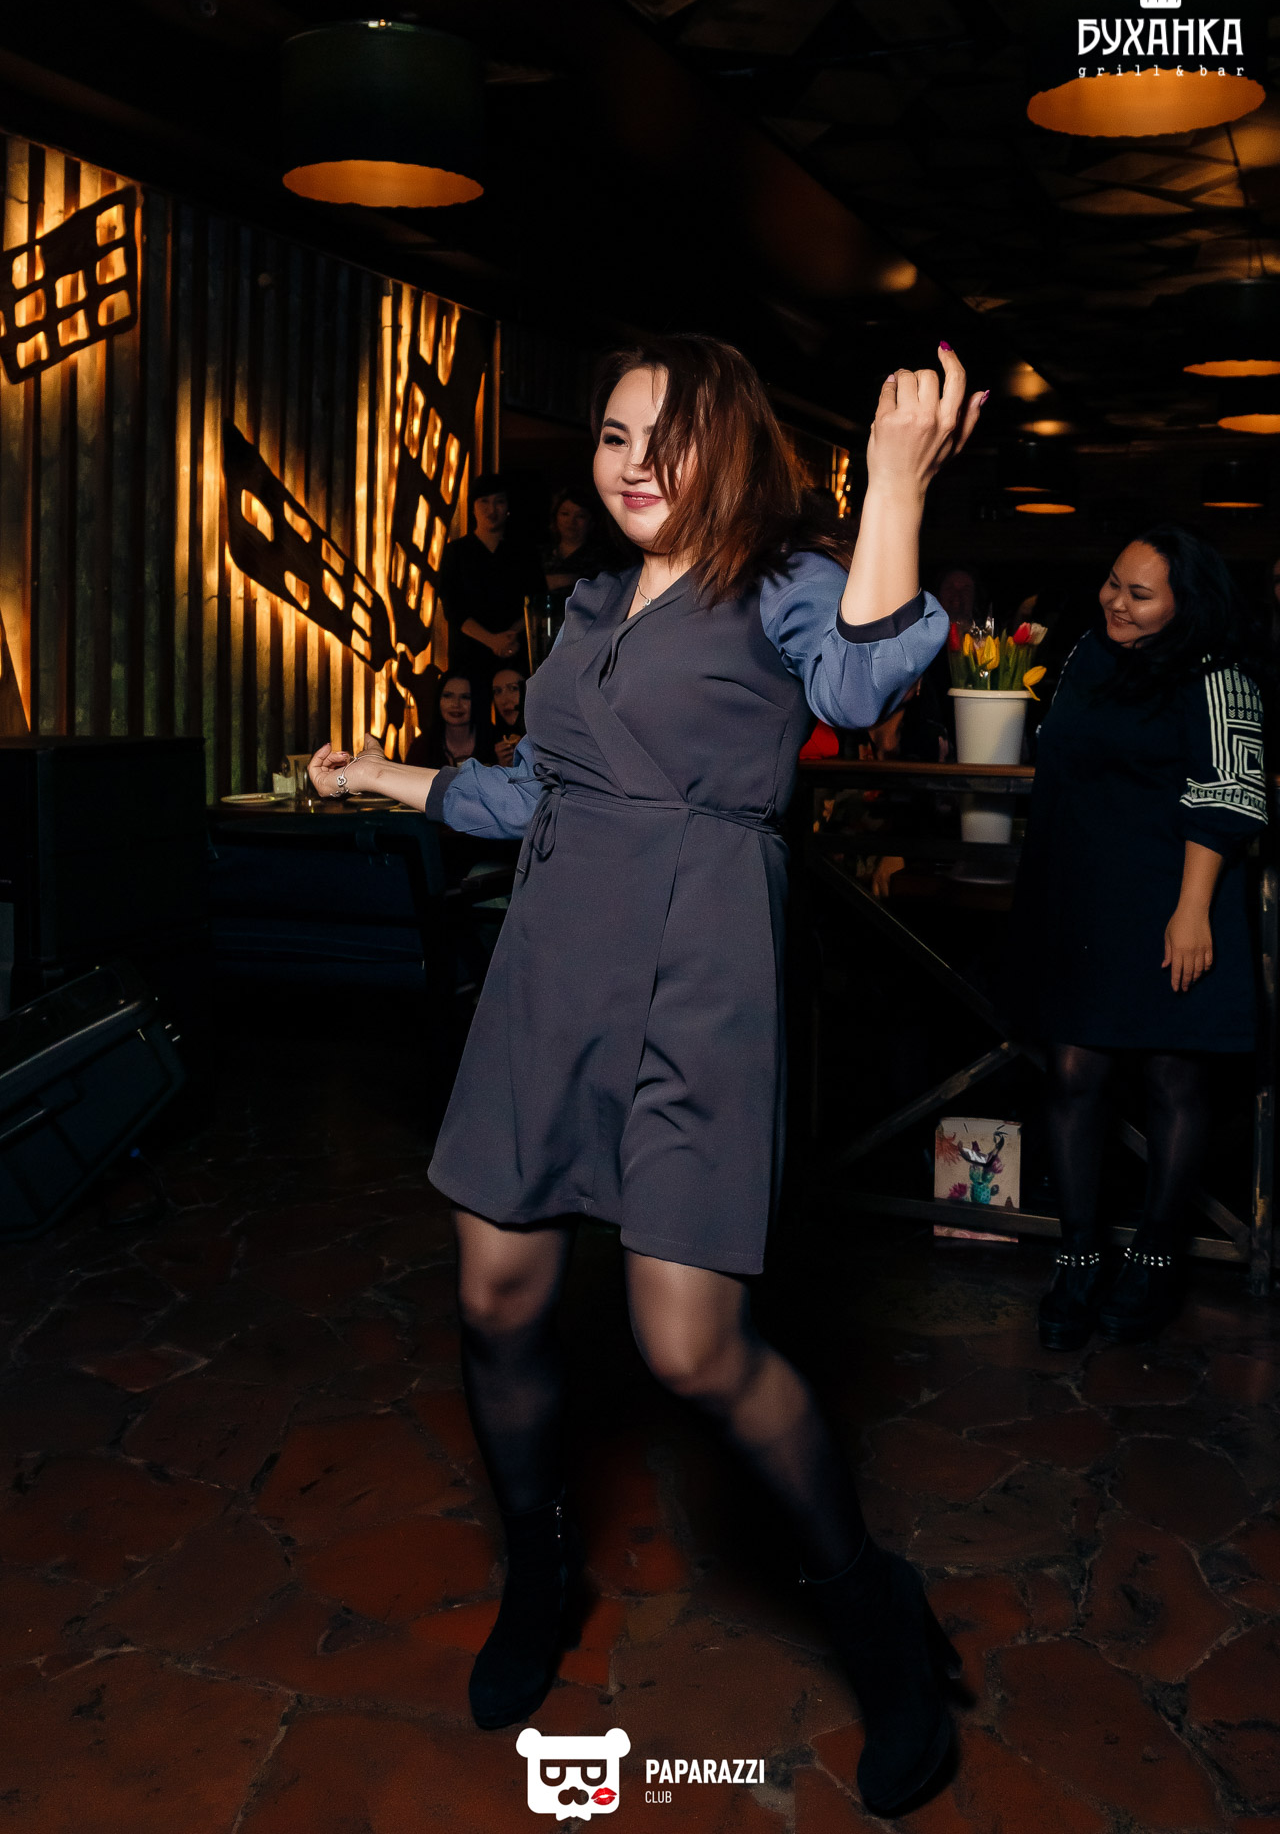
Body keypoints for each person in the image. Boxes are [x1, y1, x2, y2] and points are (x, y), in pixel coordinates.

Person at [309, 335, 984, 1818]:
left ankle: (876, 1617)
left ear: (726, 445)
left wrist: (892, 484)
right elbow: (530, 791)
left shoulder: (784, 583)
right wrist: (378, 776)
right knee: (497, 1295)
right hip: (549, 972)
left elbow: (861, 681)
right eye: (613, 436)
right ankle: (539, 1574)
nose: (632, 464)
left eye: (664, 436)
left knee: (688, 1344)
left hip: (701, 981)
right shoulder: (590, 604)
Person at [1013, 526, 1267, 1352]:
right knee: (1072, 1073)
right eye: (1113, 583)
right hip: (1085, 902)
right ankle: (1079, 1256)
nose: (1115, 602)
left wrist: (1192, 912)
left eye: (1139, 594)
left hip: (1173, 900)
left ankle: (1156, 1257)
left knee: (1171, 1077)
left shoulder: (1218, 674)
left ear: (1185, 604)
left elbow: (1229, 793)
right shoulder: (1088, 654)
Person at [436, 474, 540, 685]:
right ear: (473, 507)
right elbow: (453, 608)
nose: (492, 509)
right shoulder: (456, 552)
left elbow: (536, 600)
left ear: (508, 507)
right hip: (468, 653)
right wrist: (491, 640)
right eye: (484, 501)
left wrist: (510, 636)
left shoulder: (523, 552)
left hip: (514, 651)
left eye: (499, 501)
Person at [406, 671, 495, 770]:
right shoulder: (422, 746)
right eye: (448, 696)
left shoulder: (495, 743)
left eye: (465, 697)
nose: (456, 704)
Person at [491, 665, 525, 770]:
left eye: (513, 688)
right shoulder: (491, 741)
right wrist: (504, 768)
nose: (504, 700)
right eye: (497, 691)